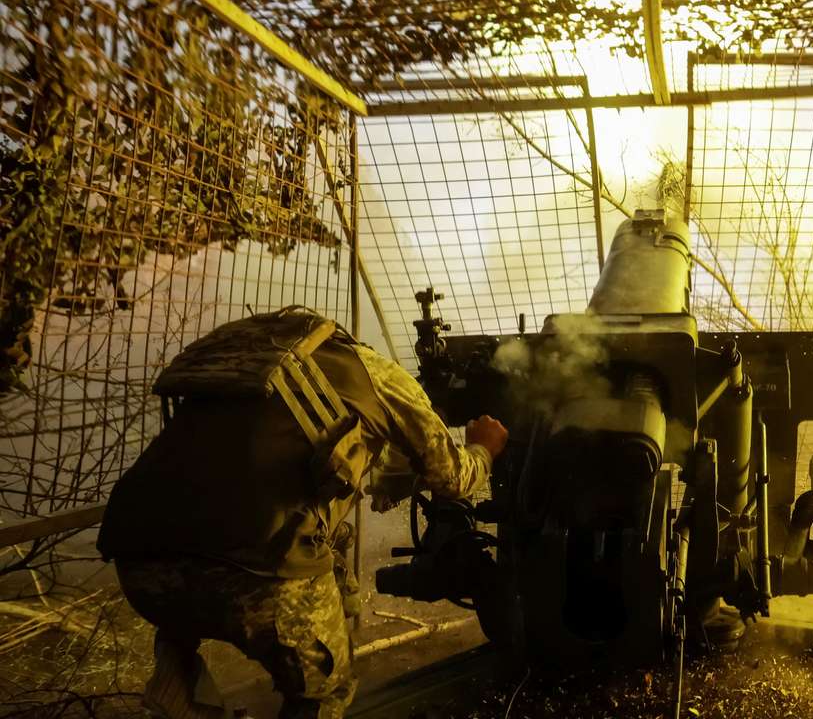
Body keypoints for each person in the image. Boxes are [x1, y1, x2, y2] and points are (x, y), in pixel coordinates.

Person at [97, 306, 507, 719]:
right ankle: (309, 676)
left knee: (328, 546)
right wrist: (483, 447)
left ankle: (178, 687)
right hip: (253, 573)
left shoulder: (248, 371)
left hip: (141, 569)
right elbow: (453, 479)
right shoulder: (380, 376)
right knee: (327, 690)